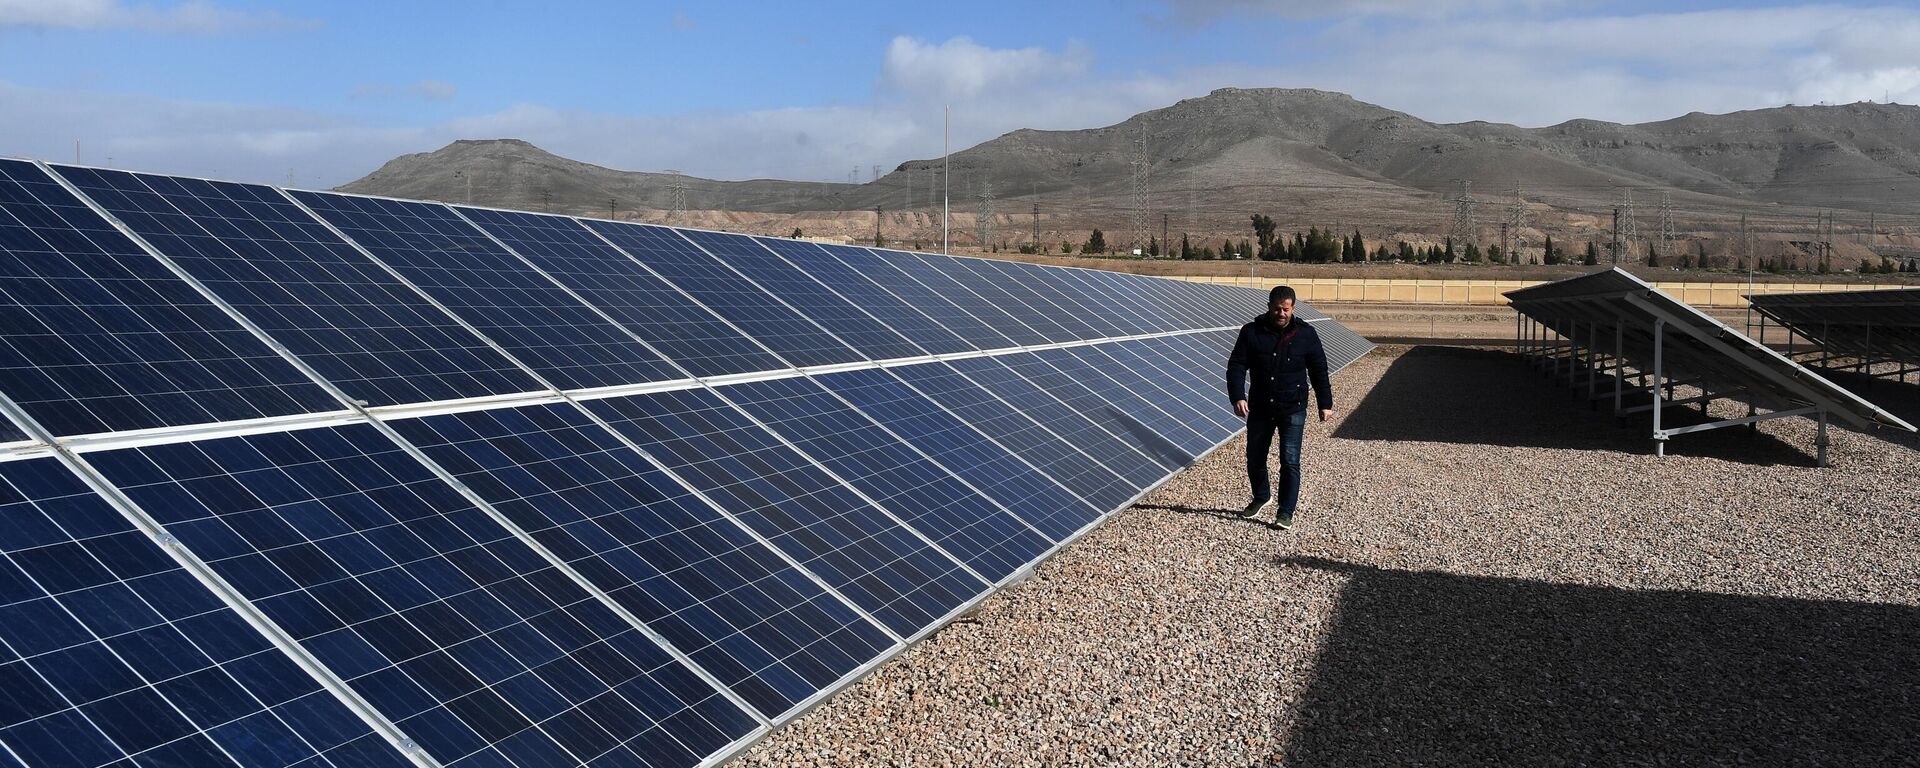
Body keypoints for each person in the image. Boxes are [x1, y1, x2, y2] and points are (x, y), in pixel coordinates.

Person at [1225, 285, 1335, 530]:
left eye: (1286, 309)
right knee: (1254, 458)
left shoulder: (1306, 334)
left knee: (1290, 460)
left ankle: (1285, 512)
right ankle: (1262, 497)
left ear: (1293, 308)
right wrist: (1237, 396)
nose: (1281, 313)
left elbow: (1318, 370)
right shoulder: (1251, 332)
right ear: (1268, 307)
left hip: (1292, 407)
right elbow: (1236, 365)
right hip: (1260, 407)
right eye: (1277, 309)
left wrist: (1325, 403)